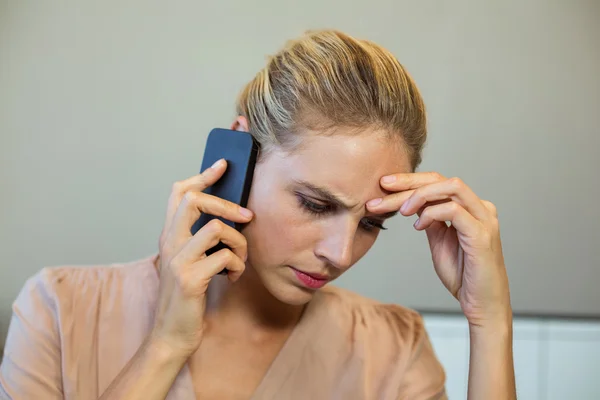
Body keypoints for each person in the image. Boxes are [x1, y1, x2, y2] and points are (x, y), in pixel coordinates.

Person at [0, 29, 516, 400]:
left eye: (370, 224)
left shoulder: (392, 350)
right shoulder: (59, 311)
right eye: (315, 204)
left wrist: (489, 322)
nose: (339, 254)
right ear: (238, 157)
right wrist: (165, 345)